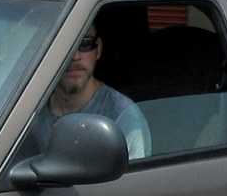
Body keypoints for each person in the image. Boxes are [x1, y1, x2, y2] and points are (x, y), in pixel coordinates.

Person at [29, 25, 151, 160]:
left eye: (85, 43)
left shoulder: (123, 116)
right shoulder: (28, 113)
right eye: (63, 45)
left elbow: (132, 180)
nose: (75, 56)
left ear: (98, 49)